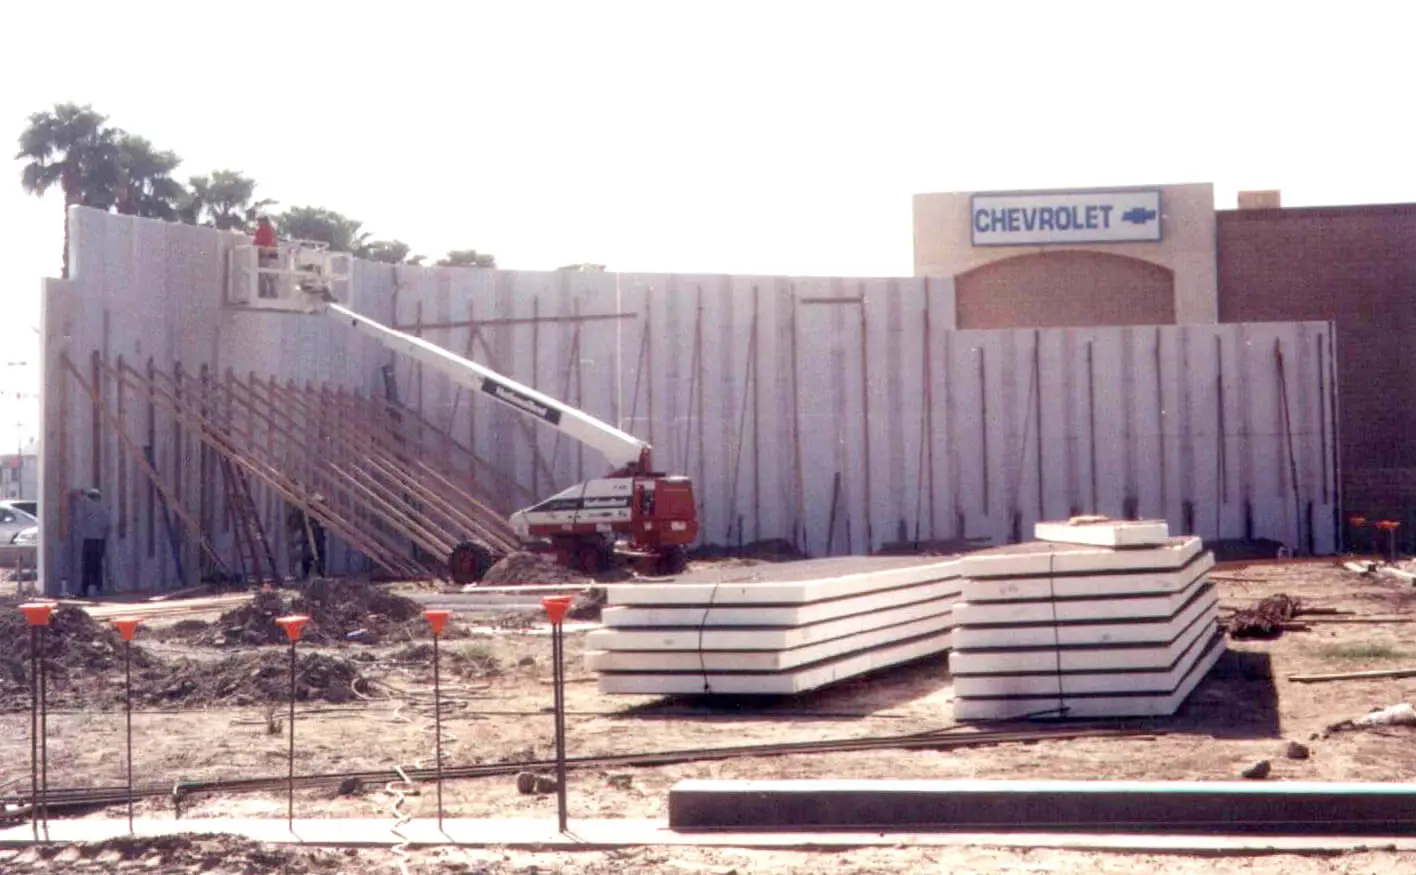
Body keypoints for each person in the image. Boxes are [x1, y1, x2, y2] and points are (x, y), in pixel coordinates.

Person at [76, 488, 110, 598]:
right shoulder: (103, 508)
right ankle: (98, 588)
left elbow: (81, 499)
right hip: (100, 540)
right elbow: (108, 524)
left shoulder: (86, 506)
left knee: (86, 565)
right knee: (98, 565)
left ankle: (85, 589)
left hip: (88, 539)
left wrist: (82, 493)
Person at [253, 216, 279, 298]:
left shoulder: (263, 230)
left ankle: (262, 295)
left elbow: (258, 243)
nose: (259, 223)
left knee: (263, 276)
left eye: (260, 221)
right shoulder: (272, 230)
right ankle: (273, 295)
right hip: (272, 256)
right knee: (271, 277)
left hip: (265, 256)